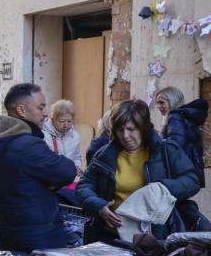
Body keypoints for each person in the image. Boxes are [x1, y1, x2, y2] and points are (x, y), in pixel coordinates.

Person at [77, 99, 202, 243]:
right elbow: (84, 186)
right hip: (110, 236)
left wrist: (162, 188)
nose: (125, 135)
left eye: (131, 129)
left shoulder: (166, 151)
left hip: (156, 237)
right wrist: (98, 206)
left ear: (143, 128)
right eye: (120, 130)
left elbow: (192, 181)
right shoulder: (104, 155)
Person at [0, 111, 77, 253]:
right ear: (22, 109)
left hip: (10, 231)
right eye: (40, 107)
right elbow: (67, 171)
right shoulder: (27, 144)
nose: (44, 114)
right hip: (39, 233)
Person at [156, 86, 208, 188]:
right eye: (157, 103)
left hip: (180, 170)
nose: (158, 106)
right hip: (189, 169)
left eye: (161, 102)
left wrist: (158, 142)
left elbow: (175, 146)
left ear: (172, 101)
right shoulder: (183, 115)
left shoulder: (175, 116)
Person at [42, 99, 83, 172]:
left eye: (69, 121)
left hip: (69, 176)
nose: (66, 125)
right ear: (53, 119)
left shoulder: (75, 136)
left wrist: (76, 167)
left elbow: (77, 157)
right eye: (62, 121)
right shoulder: (43, 136)